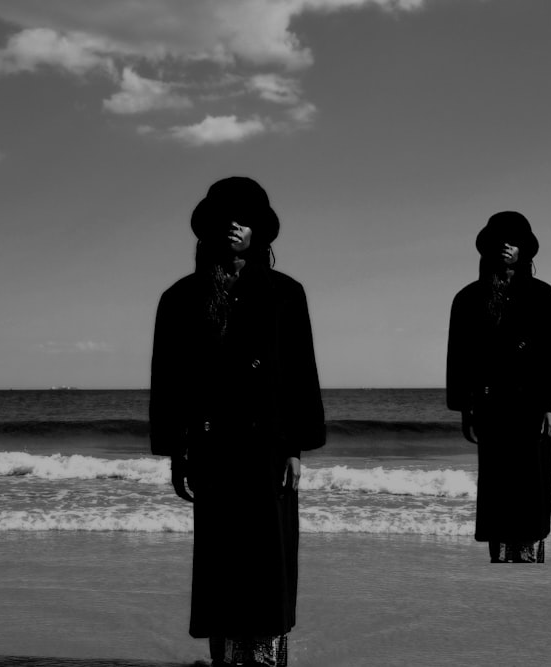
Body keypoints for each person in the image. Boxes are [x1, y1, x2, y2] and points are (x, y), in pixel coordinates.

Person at [150, 176, 325, 666]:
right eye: (223, 218)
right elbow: (169, 382)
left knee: (270, 562)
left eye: (243, 218)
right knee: (222, 563)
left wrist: (296, 446)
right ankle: (226, 660)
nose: (233, 227)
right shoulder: (180, 298)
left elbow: (300, 374)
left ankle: (269, 660)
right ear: (205, 229)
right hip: (212, 451)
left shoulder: (287, 295)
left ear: (260, 231)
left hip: (268, 449)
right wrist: (175, 452)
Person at [446, 211, 551, 563]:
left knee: (532, 481)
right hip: (490, 405)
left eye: (513, 241)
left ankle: (529, 554)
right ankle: (500, 556)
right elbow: (460, 358)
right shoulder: (467, 299)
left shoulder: (545, 296)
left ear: (525, 250)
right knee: (498, 480)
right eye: (499, 240)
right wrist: (464, 409)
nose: (506, 246)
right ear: (486, 248)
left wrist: (550, 404)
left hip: (532, 404)